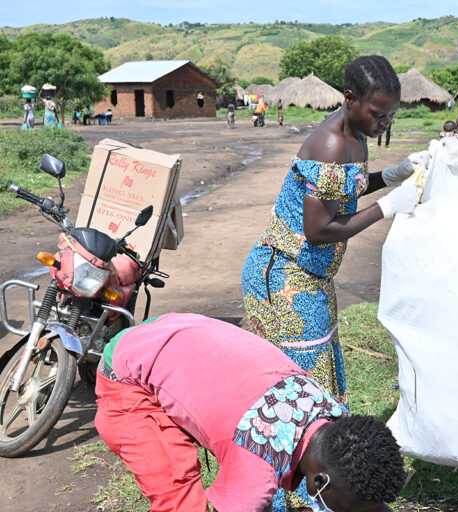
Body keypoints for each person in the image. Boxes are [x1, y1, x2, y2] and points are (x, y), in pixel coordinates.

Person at [241, 55, 427, 511]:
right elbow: (319, 228)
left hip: (311, 277)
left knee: (315, 381)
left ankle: (317, 484)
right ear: (351, 99)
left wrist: (391, 177)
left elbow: (341, 191)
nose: (384, 121)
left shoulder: (356, 135)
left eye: (391, 113)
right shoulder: (328, 142)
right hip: (285, 276)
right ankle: (292, 494)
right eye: (377, 112)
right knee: (298, 387)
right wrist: (389, 207)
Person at [95, 313, 406, 512]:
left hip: (181, 332)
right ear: (317, 484)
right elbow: (252, 489)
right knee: (181, 503)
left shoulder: (331, 413)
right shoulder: (255, 468)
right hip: (129, 372)